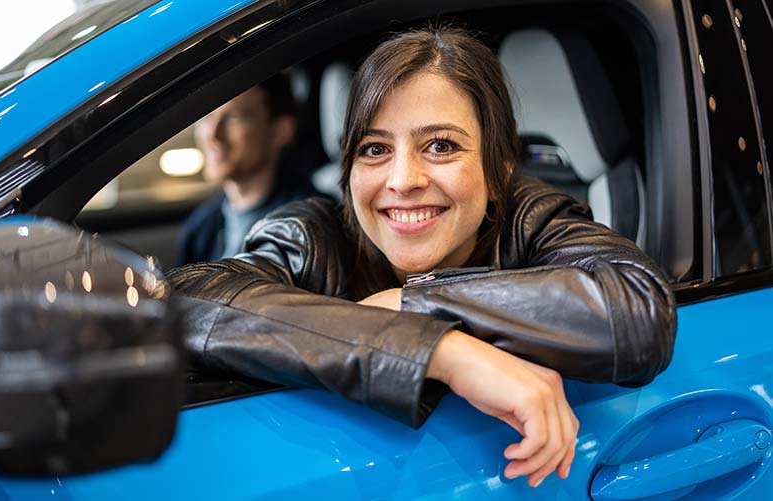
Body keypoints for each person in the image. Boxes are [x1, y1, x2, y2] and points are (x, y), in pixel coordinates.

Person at [168, 25, 676, 488]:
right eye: (374, 149)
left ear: (499, 168)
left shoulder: (531, 218)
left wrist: (408, 302)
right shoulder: (315, 234)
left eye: (440, 145)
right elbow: (184, 302)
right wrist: (441, 350)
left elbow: (636, 312)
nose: (403, 180)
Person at [176, 73, 321, 264]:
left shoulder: (310, 225)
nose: (212, 134)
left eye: (234, 118)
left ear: (280, 131)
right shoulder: (201, 227)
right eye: (206, 116)